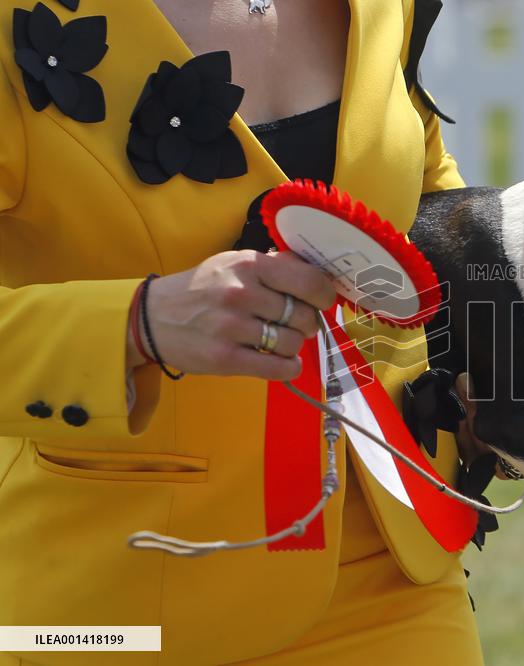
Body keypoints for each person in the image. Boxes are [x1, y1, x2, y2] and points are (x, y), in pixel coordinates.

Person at [0, 0, 486, 663]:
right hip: (119, 606)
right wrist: (139, 323)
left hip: (395, 575)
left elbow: (417, 183)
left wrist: (512, 321)